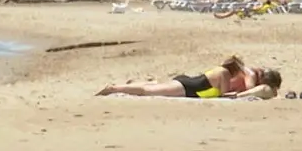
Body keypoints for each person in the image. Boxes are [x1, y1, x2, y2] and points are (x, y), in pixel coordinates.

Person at [97, 57, 282, 99]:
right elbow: (224, 93)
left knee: (153, 86)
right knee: (148, 91)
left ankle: (123, 86)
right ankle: (113, 88)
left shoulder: (223, 71)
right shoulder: (225, 74)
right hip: (187, 87)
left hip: (188, 83)